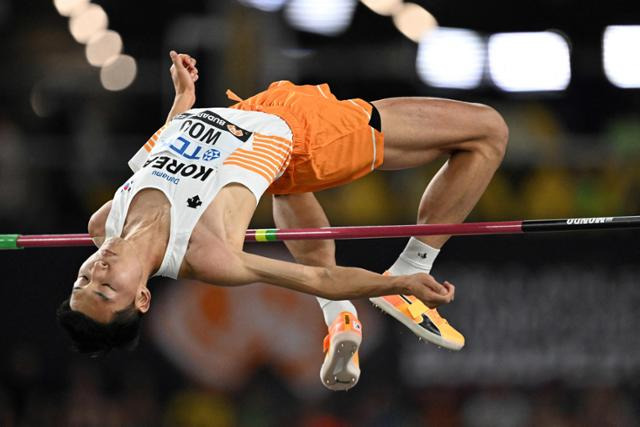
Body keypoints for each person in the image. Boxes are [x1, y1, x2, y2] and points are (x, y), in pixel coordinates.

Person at [57, 50, 507, 391]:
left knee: (284, 185)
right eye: (107, 288)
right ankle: (414, 264)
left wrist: (183, 101)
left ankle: (340, 319)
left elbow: (162, 157)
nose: (98, 271)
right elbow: (318, 276)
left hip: (254, 114)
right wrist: (395, 286)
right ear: (142, 298)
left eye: (83, 280)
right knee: (487, 131)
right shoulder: (207, 255)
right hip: (313, 137)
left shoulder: (104, 223)